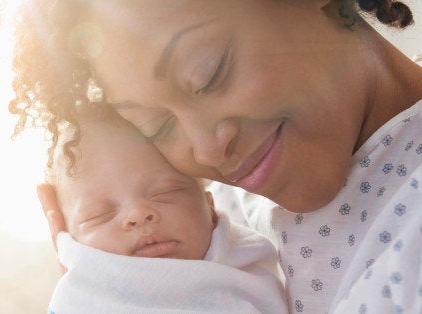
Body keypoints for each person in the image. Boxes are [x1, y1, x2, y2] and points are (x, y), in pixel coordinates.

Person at [9, 0, 422, 312]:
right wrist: (117, 282)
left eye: (209, 74)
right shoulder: (220, 214)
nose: (207, 150)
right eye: (156, 126)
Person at [45, 107, 287, 313]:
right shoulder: (80, 301)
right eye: (99, 214)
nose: (137, 214)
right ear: (71, 244)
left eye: (165, 192)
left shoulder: (252, 274)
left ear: (210, 209)